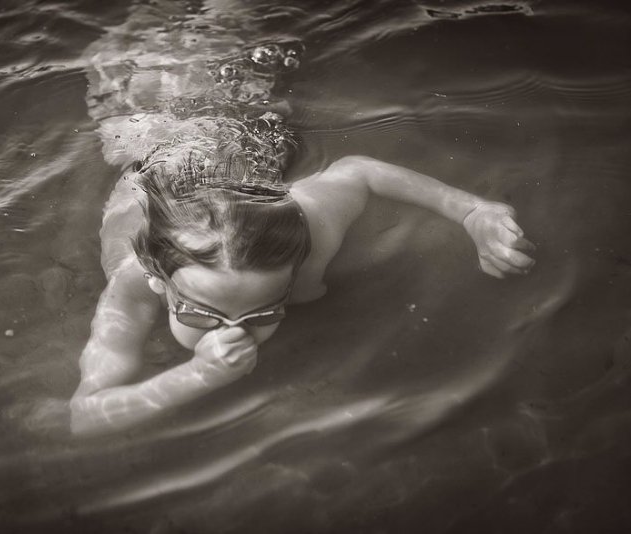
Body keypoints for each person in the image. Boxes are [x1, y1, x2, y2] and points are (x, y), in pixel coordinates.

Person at [70, 35, 536, 435]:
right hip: (147, 139)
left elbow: (361, 173)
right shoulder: (133, 281)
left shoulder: (309, 226)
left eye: (264, 312)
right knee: (138, 84)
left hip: (224, 144)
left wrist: (472, 211)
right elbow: (86, 416)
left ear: (293, 272)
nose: (235, 333)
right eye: (200, 313)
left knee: (219, 43)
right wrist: (197, 377)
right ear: (159, 282)